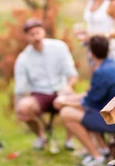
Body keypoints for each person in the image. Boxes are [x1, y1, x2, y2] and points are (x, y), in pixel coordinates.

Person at [54, 35, 115, 166]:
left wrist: (63, 102)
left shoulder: (101, 72)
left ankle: (96, 156)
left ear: (90, 53)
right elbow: (90, 96)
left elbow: (87, 104)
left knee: (67, 113)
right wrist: (68, 99)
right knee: (78, 111)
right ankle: (103, 150)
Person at [14, 19, 79, 150]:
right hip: (39, 94)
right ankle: (41, 137)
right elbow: (20, 88)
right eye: (32, 34)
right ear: (27, 37)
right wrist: (19, 106)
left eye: (38, 32)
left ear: (43, 32)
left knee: (74, 102)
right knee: (22, 108)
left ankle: (69, 140)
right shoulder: (23, 58)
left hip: (61, 90)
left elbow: (72, 74)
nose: (36, 37)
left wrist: (67, 88)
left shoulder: (59, 47)